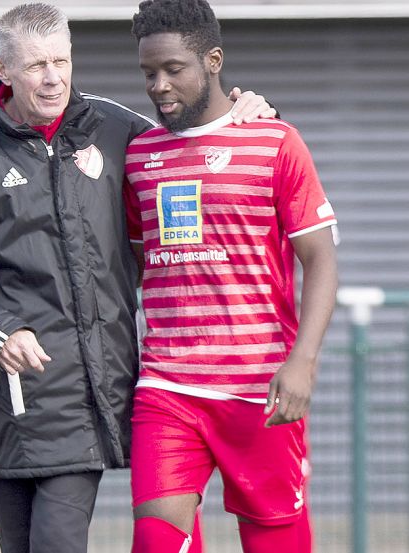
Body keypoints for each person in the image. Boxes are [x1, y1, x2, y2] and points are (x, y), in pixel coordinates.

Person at [0, 3, 275, 552]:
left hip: (91, 388)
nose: (53, 79)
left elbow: (192, 146)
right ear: (3, 69)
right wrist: (0, 333)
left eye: (62, 61)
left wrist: (252, 108)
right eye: (34, 67)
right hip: (10, 389)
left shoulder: (113, 126)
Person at [124, 1, 339, 551]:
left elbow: (321, 261)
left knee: (275, 540)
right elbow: (128, 260)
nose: (158, 85)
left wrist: (302, 363)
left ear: (213, 60)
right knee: (155, 540)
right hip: (168, 386)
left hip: (259, 388)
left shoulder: (275, 143)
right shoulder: (139, 155)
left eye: (174, 69)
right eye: (149, 72)